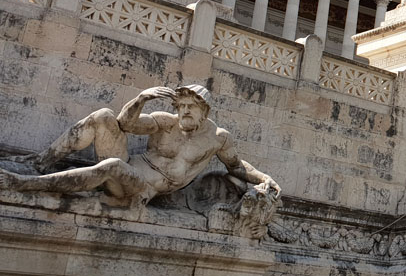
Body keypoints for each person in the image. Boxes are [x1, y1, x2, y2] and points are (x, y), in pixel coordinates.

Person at [0, 85, 279, 209]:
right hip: (128, 168)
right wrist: (141, 99)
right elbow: (125, 124)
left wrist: (265, 178)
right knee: (103, 116)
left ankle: (24, 184)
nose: (184, 111)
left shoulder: (218, 137)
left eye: (190, 107)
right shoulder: (164, 121)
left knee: (111, 167)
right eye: (180, 106)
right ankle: (41, 163)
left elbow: (237, 166)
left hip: (143, 188)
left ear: (204, 111)